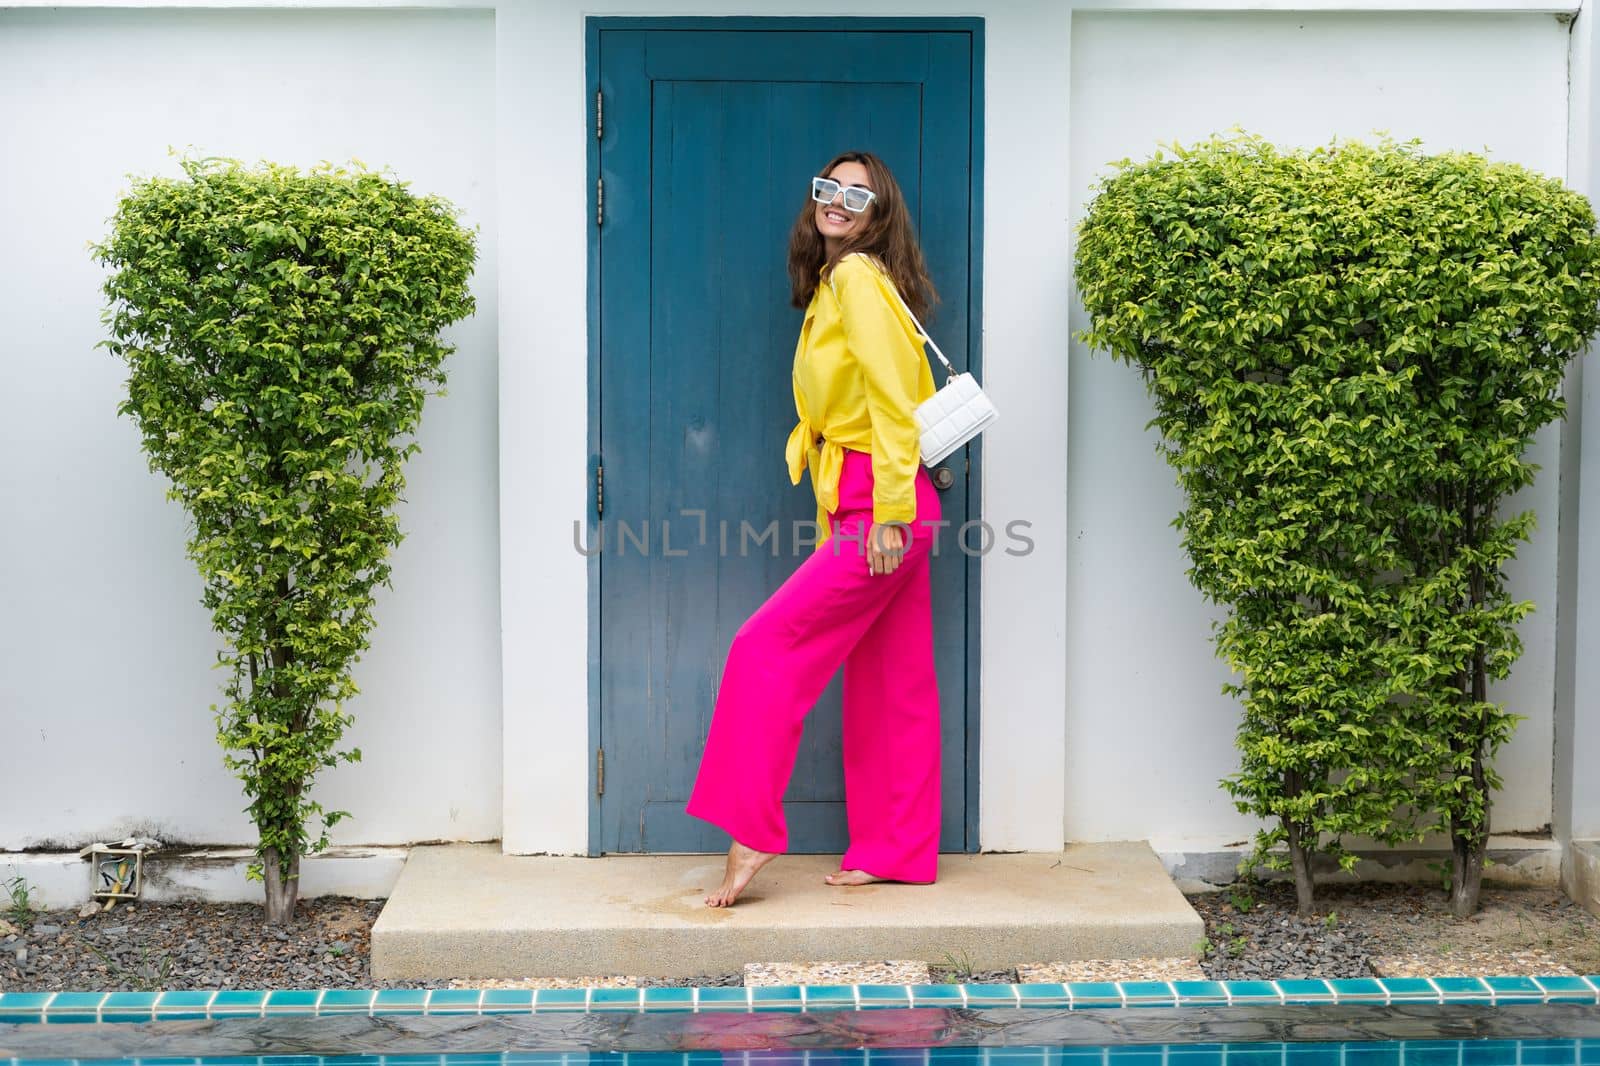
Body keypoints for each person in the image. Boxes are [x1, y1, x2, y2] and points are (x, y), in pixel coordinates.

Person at [684, 150, 944, 908]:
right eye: (828, 188)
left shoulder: (860, 278)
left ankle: (753, 829)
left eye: (856, 194)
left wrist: (887, 514)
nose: (838, 201)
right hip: (874, 498)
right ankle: (896, 850)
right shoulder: (843, 281)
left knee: (764, 646)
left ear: (877, 213)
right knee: (891, 681)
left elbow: (896, 407)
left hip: (885, 504)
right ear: (815, 202)